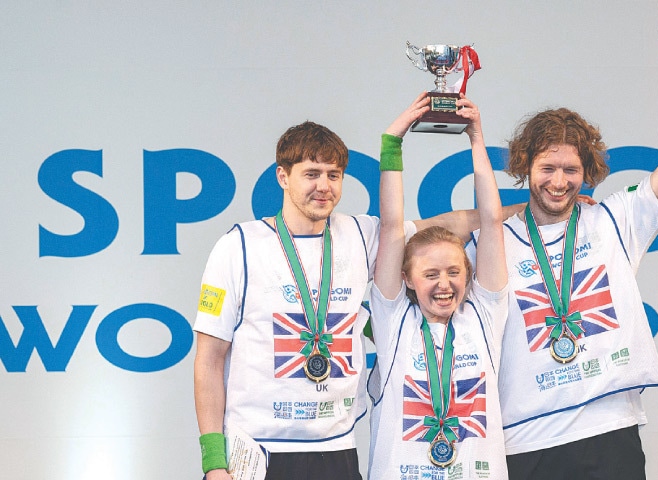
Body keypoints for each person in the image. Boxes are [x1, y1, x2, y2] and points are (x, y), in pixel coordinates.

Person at [466, 7, 658, 479]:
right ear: (524, 166)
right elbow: (414, 234)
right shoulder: (489, 243)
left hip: (611, 430)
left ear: (587, 172)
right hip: (528, 440)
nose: (559, 181)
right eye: (547, 168)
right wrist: (498, 214)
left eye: (571, 170)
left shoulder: (616, 220)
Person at [192, 117, 507, 479]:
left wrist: (532, 213)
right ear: (283, 176)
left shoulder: (359, 234)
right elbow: (209, 359)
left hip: (336, 448)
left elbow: (449, 225)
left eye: (334, 175)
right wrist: (213, 461)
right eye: (311, 174)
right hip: (258, 449)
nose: (323, 186)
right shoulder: (238, 246)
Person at [367, 92, 509, 479]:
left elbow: (491, 221)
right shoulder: (394, 319)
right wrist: (392, 142)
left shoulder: (484, 315)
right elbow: (391, 226)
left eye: (453, 272)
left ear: (468, 273)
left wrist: (476, 137)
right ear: (407, 279)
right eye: (430, 275)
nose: (444, 284)